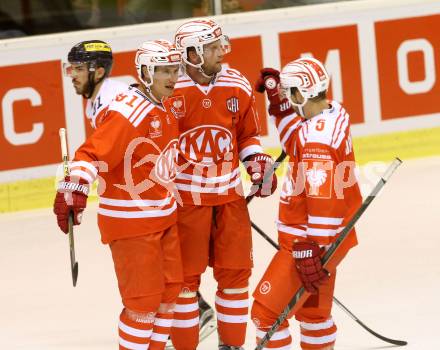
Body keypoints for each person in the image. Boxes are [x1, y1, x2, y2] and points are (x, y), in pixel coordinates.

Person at [53, 39, 184, 350]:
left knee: (169, 293)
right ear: (145, 73)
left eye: (174, 70)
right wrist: (76, 186)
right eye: (163, 70)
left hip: (162, 214)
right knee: (143, 304)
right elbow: (91, 153)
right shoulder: (129, 111)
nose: (172, 77)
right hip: (132, 221)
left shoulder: (164, 103)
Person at [169, 19, 278, 350]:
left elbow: (246, 136)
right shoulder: (169, 91)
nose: (221, 52)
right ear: (191, 53)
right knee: (186, 284)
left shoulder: (237, 84)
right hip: (187, 203)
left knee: (235, 277)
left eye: (220, 45)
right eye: (213, 48)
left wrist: (256, 162)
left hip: (229, 198)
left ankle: (231, 346)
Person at [251, 57, 363, 349]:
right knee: (314, 316)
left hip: (307, 244)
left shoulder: (317, 141)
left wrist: (310, 249)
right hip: (332, 240)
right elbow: (296, 140)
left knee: (266, 314)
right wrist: (278, 104)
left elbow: (322, 200)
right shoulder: (333, 112)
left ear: (301, 94)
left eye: (290, 94)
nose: (288, 99)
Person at [63, 39, 128, 129]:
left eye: (79, 69)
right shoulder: (93, 102)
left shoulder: (112, 102)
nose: (73, 75)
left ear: (99, 73)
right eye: (72, 69)